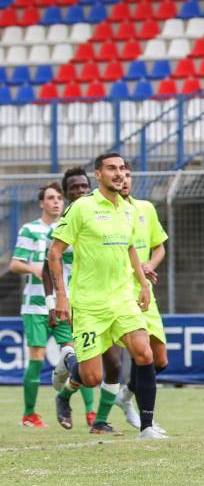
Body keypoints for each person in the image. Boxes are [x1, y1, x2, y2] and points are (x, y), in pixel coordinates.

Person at [48, 152, 166, 440]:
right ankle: (66, 381)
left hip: (123, 299)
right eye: (112, 168)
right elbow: (54, 253)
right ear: (97, 174)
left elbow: (130, 249)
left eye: (122, 169)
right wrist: (61, 297)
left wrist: (143, 283)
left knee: (144, 352)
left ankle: (147, 427)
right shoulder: (81, 208)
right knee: (92, 377)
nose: (119, 174)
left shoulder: (127, 211)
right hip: (88, 304)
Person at [47, 167, 132, 434]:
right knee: (91, 375)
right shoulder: (64, 223)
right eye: (74, 188)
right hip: (78, 300)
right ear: (66, 192)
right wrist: (56, 300)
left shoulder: (102, 216)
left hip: (109, 300)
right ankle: (69, 366)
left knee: (115, 364)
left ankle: (100, 421)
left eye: (84, 186)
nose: (80, 191)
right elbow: (46, 266)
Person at [10, 182, 93, 427]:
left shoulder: (68, 229)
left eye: (59, 198)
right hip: (36, 305)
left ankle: (90, 412)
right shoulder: (30, 229)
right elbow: (15, 263)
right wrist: (33, 267)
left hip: (63, 304)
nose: (56, 202)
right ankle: (30, 414)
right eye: (51, 198)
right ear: (41, 203)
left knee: (78, 354)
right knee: (36, 356)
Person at [111, 165, 166, 434]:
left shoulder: (146, 208)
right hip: (119, 294)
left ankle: (126, 395)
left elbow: (160, 247)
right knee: (137, 356)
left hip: (146, 293)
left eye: (128, 174)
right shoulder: (108, 214)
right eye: (119, 174)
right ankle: (147, 423)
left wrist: (148, 265)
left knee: (160, 360)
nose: (123, 179)